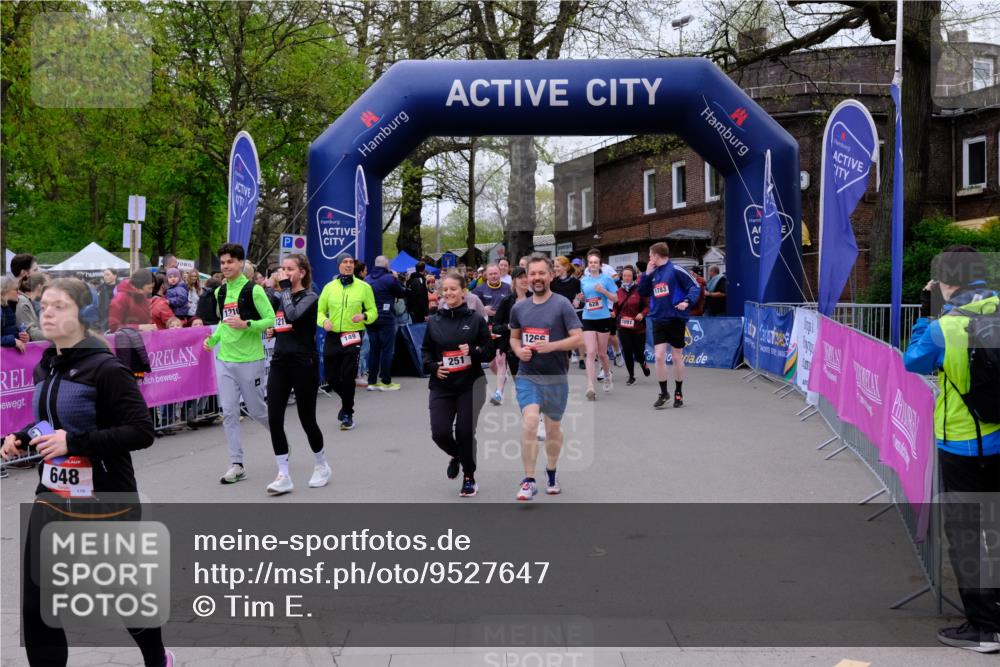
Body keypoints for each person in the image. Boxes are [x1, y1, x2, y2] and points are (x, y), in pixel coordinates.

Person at [0, 277, 174, 667]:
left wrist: (74, 443)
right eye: (44, 305)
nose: (47, 312)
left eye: (59, 306)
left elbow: (141, 431)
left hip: (106, 498)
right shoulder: (46, 365)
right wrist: (23, 436)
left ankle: (156, 657)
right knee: (38, 602)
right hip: (53, 497)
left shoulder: (106, 368)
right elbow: (51, 423)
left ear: (82, 315)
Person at [903, 246, 1000, 653]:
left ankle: (985, 627)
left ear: (946, 282)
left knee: (965, 534)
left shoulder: (947, 325)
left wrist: (926, 314)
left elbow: (914, 361)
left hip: (963, 443)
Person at [508, 254, 584, 501]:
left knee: (553, 429)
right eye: (532, 274)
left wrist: (552, 346)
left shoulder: (562, 305)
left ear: (551, 275)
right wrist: (519, 351)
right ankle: (528, 480)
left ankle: (551, 471)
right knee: (530, 422)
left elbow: (578, 338)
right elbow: (514, 338)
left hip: (556, 378)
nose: (537, 278)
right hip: (528, 375)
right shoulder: (519, 307)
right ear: (526, 277)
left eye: (542, 273)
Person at [203, 243, 275, 484]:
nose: (225, 267)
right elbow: (224, 323)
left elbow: (270, 319)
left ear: (241, 263)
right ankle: (236, 464)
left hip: (250, 360)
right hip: (225, 360)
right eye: (222, 263)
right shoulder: (220, 292)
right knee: (230, 413)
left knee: (256, 411)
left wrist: (247, 325)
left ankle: (280, 442)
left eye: (230, 262)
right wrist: (213, 339)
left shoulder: (253, 290)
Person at [421, 270, 492, 497]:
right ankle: (458, 455)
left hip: (470, 384)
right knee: (440, 433)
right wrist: (433, 367)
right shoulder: (434, 321)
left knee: (464, 431)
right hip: (442, 385)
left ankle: (469, 476)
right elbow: (425, 352)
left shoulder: (475, 320)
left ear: (463, 291)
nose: (449, 293)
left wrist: (473, 351)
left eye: (454, 289)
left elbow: (489, 351)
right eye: (446, 289)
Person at [263, 254, 329, 495]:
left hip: (304, 362)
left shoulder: (311, 296)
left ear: (302, 272)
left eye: (290, 268)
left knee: (306, 419)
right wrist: (274, 330)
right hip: (281, 361)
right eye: (283, 268)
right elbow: (285, 321)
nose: (285, 272)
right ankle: (283, 475)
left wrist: (284, 289)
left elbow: (294, 315)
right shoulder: (284, 296)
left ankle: (322, 465)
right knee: (274, 419)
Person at [317, 255, 376, 430]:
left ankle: (348, 414)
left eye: (351, 263)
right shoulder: (329, 288)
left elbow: (373, 311)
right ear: (339, 266)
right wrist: (324, 322)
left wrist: (364, 316)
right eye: (345, 262)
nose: (348, 265)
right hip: (334, 336)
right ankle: (347, 402)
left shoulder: (364, 287)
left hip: (353, 334)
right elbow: (320, 312)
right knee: (332, 376)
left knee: (348, 374)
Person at [639, 242, 701, 409]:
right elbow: (642, 292)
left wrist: (687, 302)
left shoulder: (675, 269)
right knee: (659, 356)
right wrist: (646, 274)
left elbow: (695, 287)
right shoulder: (652, 272)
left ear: (657, 255)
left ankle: (678, 392)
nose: (649, 258)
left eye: (650, 255)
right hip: (658, 318)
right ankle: (664, 392)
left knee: (676, 356)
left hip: (675, 318)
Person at [579, 249, 618, 400]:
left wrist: (603, 291)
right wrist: (581, 298)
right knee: (590, 352)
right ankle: (590, 386)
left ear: (599, 264)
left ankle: (607, 375)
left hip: (603, 317)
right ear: (587, 265)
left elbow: (615, 299)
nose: (593, 265)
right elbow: (584, 299)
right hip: (588, 317)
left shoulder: (606, 279)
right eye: (590, 263)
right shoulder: (583, 280)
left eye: (595, 262)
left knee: (602, 354)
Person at [365, 255, 406, 392]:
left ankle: (371, 381)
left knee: (374, 350)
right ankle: (385, 381)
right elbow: (401, 293)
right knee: (387, 350)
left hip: (370, 318)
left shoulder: (367, 279)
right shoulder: (389, 278)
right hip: (386, 318)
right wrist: (396, 278)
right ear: (386, 265)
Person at [474, 265, 513, 405]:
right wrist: (483, 310)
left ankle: (498, 393)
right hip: (487, 329)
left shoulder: (508, 288)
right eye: (491, 274)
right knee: (491, 364)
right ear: (486, 275)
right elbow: (473, 307)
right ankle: (503, 378)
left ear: (500, 274)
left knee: (501, 359)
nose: (494, 276)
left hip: (502, 328)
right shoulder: (479, 290)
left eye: (496, 273)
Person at [614, 265, 651, 385]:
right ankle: (631, 376)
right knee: (627, 351)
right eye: (624, 276)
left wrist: (642, 314)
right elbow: (616, 308)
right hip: (623, 327)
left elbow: (647, 306)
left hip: (638, 327)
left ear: (633, 276)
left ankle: (643, 362)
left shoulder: (640, 289)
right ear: (622, 277)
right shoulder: (618, 292)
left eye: (629, 275)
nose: (627, 278)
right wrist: (613, 313)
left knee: (639, 353)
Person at [551, 256, 583, 367]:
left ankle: (578, 355)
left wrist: (577, 300)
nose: (555, 268)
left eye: (557, 266)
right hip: (556, 313)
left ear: (565, 267)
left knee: (574, 334)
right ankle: (570, 352)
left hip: (571, 312)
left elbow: (579, 296)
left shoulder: (575, 282)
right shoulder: (553, 282)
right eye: (554, 266)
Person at [17, 273, 47, 341]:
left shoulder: (27, 301)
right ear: (39, 286)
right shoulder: (22, 301)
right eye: (45, 287)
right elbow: (30, 332)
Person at [2, 274, 26, 352]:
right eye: (15, 289)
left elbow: (6, 332)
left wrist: (20, 337)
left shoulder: (7, 308)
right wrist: (13, 341)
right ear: (4, 291)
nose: (19, 292)